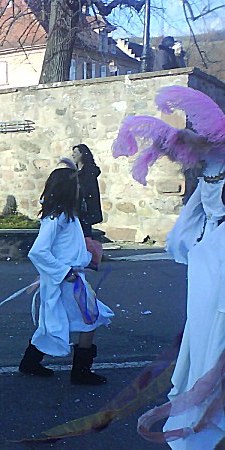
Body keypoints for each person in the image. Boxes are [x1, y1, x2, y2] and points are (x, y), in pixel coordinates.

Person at [113, 85, 224, 448]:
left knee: (209, 335)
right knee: (210, 335)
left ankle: (204, 404)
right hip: (212, 263)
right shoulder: (213, 168)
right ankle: (205, 409)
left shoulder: (209, 168)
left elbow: (191, 224)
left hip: (209, 259)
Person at [18, 158, 114, 385]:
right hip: (67, 282)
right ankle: (80, 372)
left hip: (69, 279)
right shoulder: (57, 218)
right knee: (89, 319)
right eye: (77, 187)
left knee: (55, 322)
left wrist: (84, 258)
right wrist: (64, 271)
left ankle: (31, 362)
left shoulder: (67, 217)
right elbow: (39, 251)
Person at [72, 144, 103, 237]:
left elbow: (89, 191)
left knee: (84, 235)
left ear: (82, 154)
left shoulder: (89, 172)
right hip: (75, 208)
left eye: (75, 153)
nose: (73, 155)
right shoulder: (75, 171)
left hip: (85, 209)